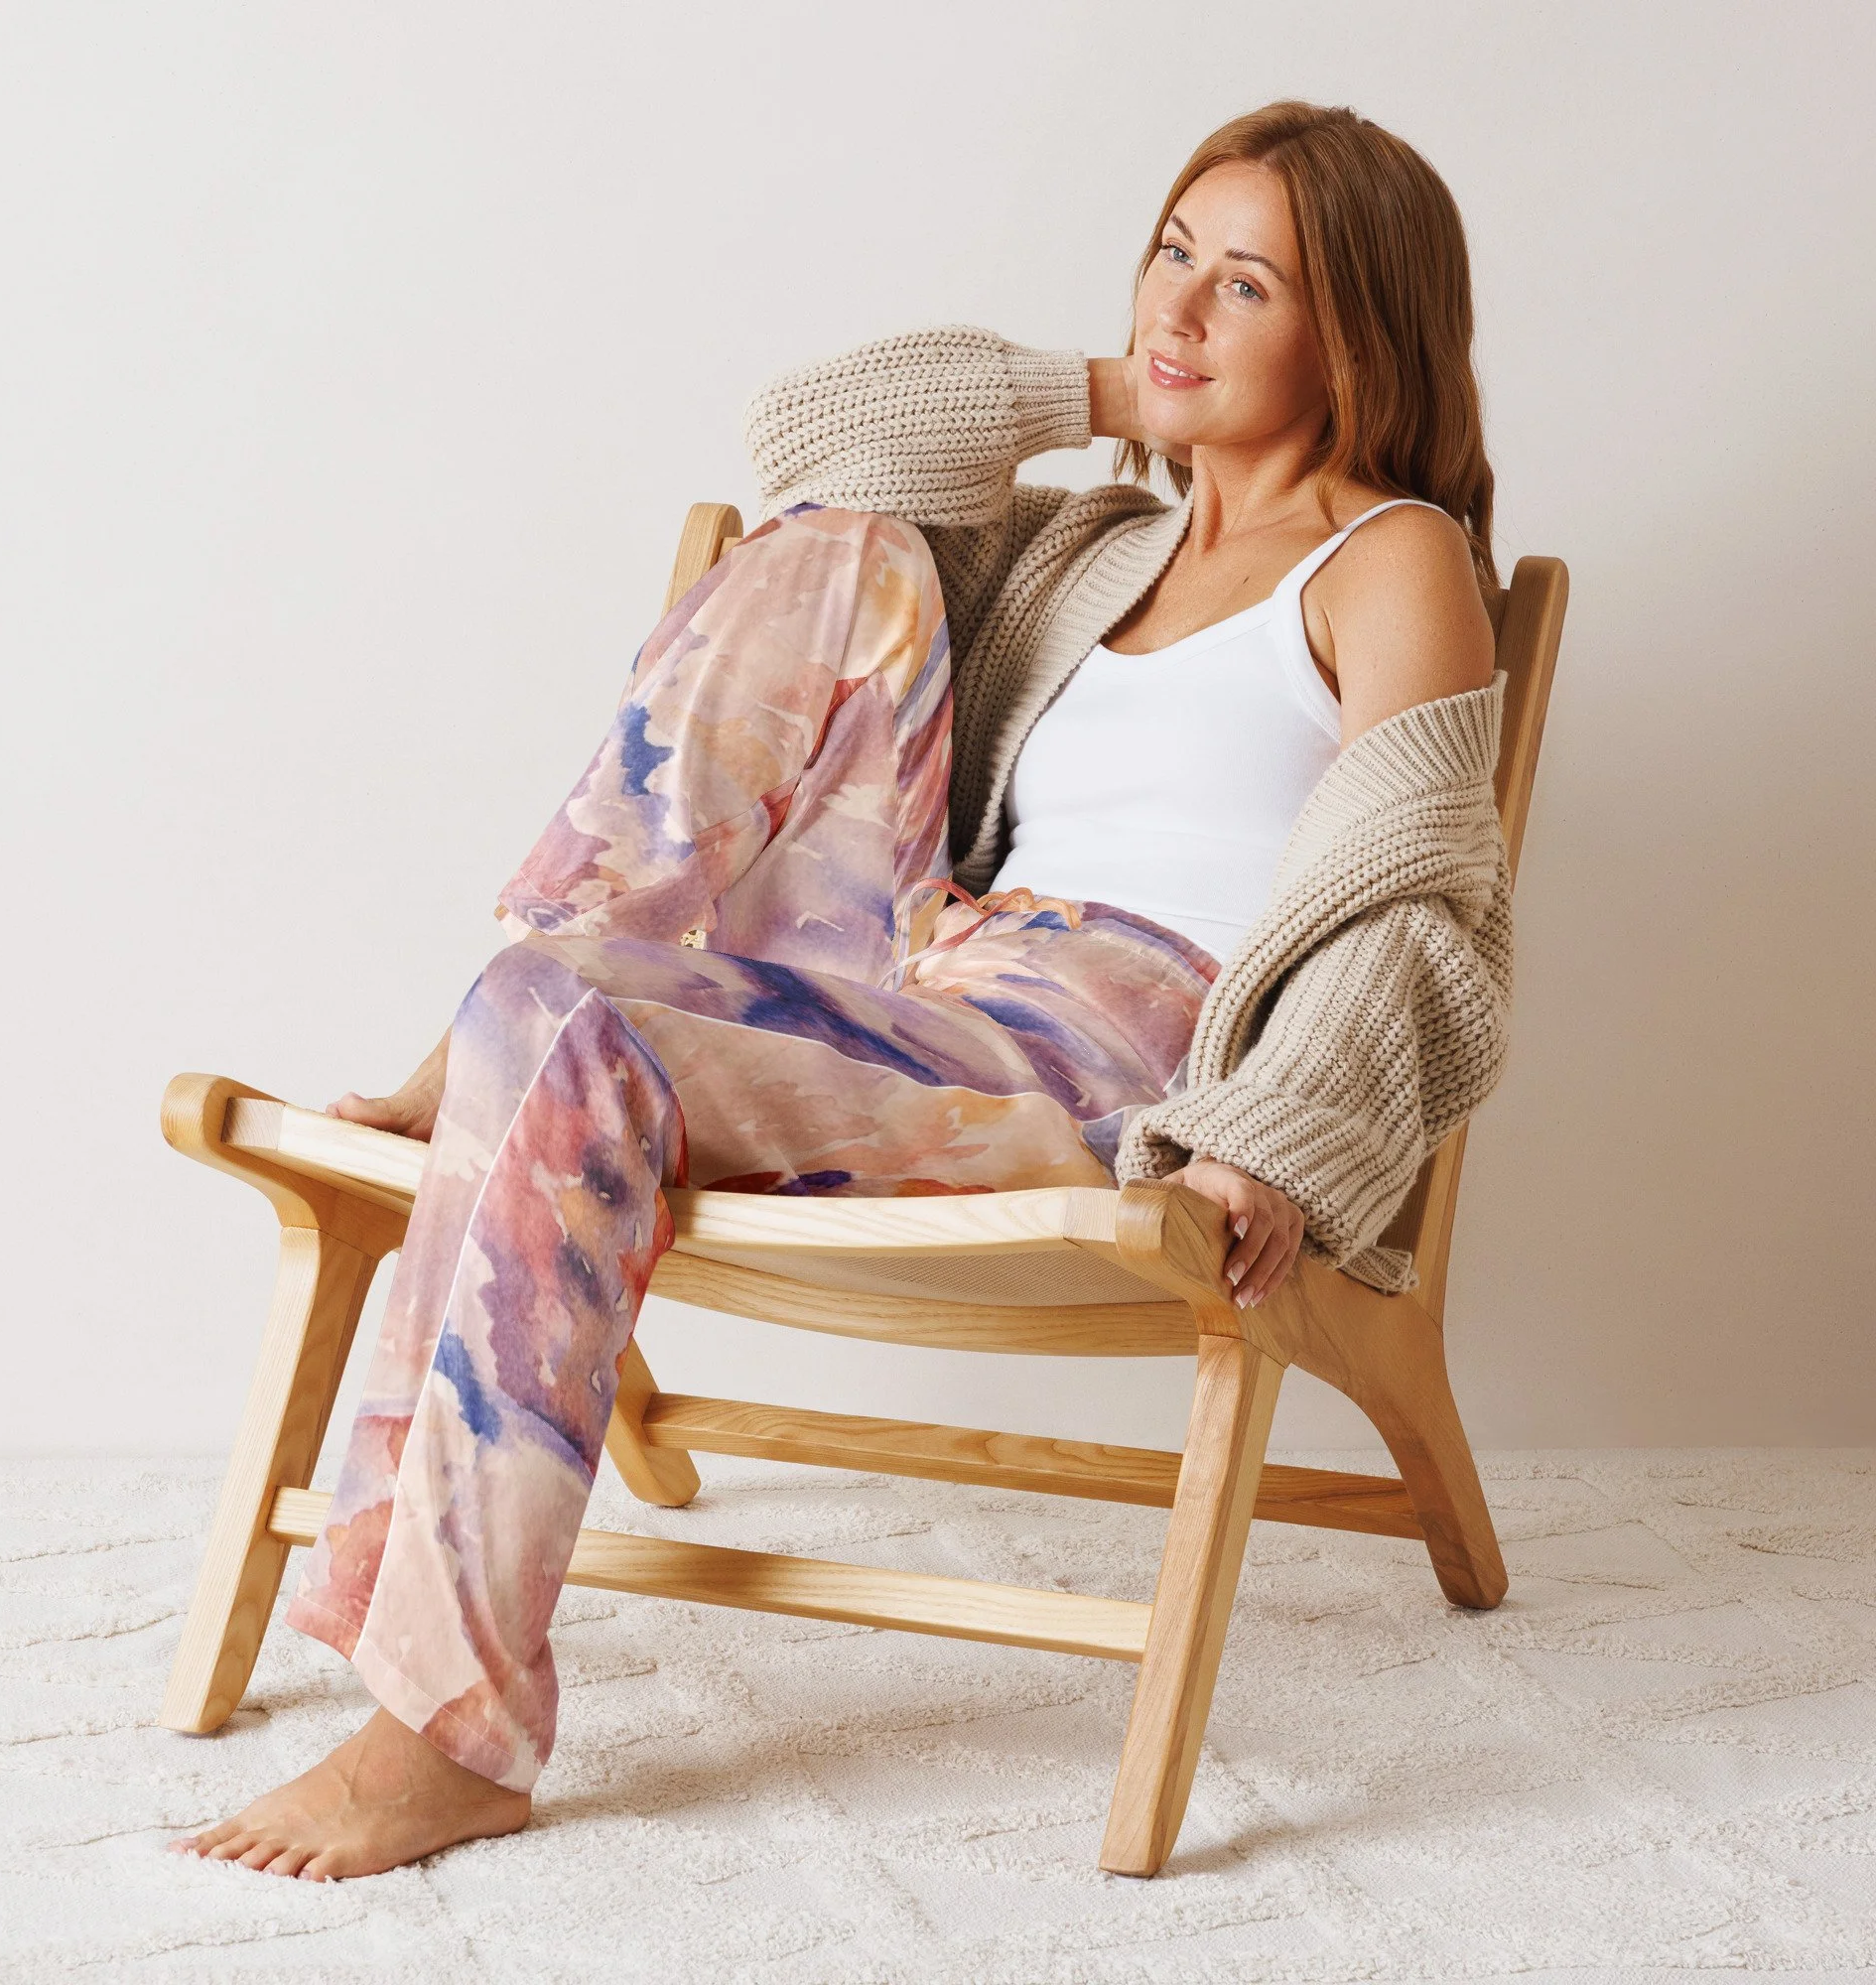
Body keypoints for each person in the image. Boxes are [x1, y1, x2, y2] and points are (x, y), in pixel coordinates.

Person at [173, 98, 1513, 1881]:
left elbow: (1418, 911)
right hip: (927, 974)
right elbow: (811, 436)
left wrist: (1266, 1138)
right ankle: (514, 1020)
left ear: (1356, 335)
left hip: (1108, 1053)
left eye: (1246, 284)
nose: (1180, 308)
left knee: (557, 1031)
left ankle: (443, 1728)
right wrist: (1118, 395)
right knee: (833, 546)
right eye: (1170, 254)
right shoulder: (1090, 543)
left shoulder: (1391, 557)